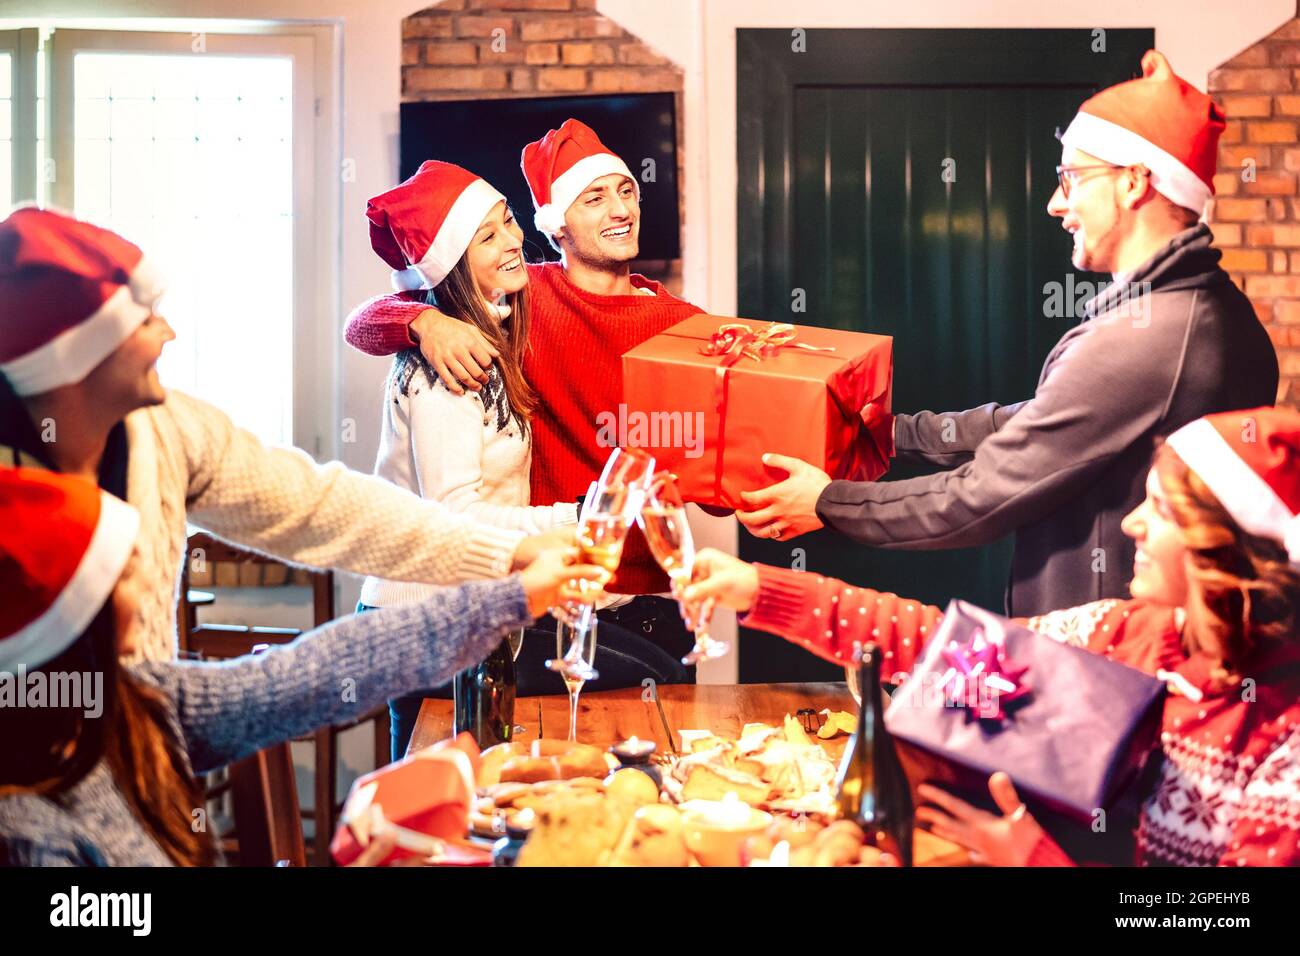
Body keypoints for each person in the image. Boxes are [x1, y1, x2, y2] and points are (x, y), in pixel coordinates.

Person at [736, 50, 1279, 618]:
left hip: (1108, 653)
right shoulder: (1208, 311)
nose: (1056, 204)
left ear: (1133, 183)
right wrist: (892, 434)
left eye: (1071, 178)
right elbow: (1045, 421)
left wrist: (827, 503)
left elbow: (981, 495)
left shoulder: (1151, 337)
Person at [685, 407, 1300, 866]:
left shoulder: (1285, 737)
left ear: (1223, 550)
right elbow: (936, 649)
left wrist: (1031, 858)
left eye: (1161, 510)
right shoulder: (1121, 632)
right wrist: (760, 589)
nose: (1133, 524)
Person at [0, 206, 566, 665]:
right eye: (144, 322)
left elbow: (318, 506)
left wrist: (512, 551)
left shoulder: (171, 430)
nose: (168, 334)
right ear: (78, 362)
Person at [0, 466, 606, 866]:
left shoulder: (136, 700)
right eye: (126, 572)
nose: (151, 580)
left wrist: (514, 597)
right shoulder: (25, 830)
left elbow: (317, 672)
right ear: (73, 619)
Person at [345, 119, 705, 672]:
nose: (620, 210)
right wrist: (423, 324)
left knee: (663, 718)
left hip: (646, 595)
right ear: (557, 225)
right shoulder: (521, 302)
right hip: (543, 591)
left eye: (627, 191)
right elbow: (363, 322)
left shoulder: (686, 327)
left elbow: (717, 465)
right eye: (594, 198)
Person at [358, 160, 584, 757]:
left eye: (508, 219)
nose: (513, 239)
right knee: (442, 801)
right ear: (453, 265)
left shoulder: (487, 333)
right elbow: (454, 514)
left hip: (462, 611)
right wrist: (576, 518)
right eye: (487, 236)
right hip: (425, 620)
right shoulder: (447, 366)